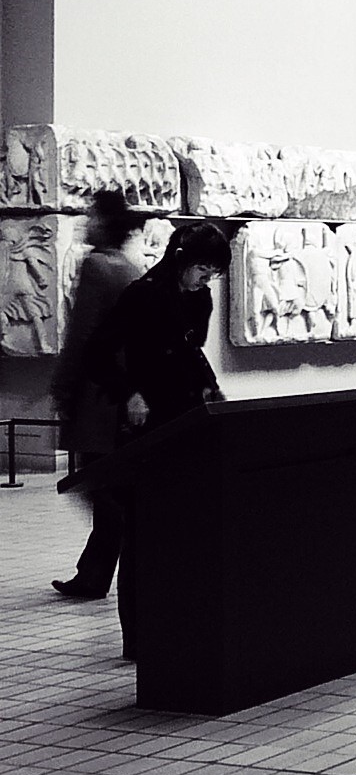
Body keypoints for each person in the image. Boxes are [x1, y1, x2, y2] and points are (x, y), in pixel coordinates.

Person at [83, 221, 231, 659]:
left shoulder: (198, 298)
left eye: (214, 273)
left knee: (182, 528)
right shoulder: (142, 295)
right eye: (203, 270)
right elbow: (98, 353)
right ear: (181, 259)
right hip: (145, 423)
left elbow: (190, 349)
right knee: (143, 530)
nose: (207, 280)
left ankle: (178, 622)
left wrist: (209, 386)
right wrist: (128, 392)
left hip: (186, 420)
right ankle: (138, 637)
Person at [50, 191, 144, 599]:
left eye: (91, 215)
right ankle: (94, 572)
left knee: (100, 487)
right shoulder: (129, 266)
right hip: (121, 392)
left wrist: (63, 386)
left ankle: (96, 573)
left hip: (96, 392)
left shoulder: (97, 266)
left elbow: (82, 335)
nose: (85, 222)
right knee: (107, 488)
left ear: (105, 222)